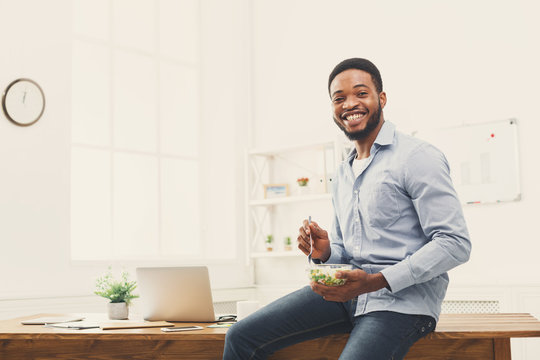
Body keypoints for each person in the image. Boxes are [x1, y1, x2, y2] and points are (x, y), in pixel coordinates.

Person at [223, 58, 471, 360]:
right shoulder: (343, 172)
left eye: (361, 93)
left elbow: (454, 244)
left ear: (381, 98)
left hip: (402, 304)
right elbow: (346, 250)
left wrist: (376, 281)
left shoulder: (417, 157)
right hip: (345, 298)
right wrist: (325, 253)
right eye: (339, 98)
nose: (349, 104)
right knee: (240, 336)